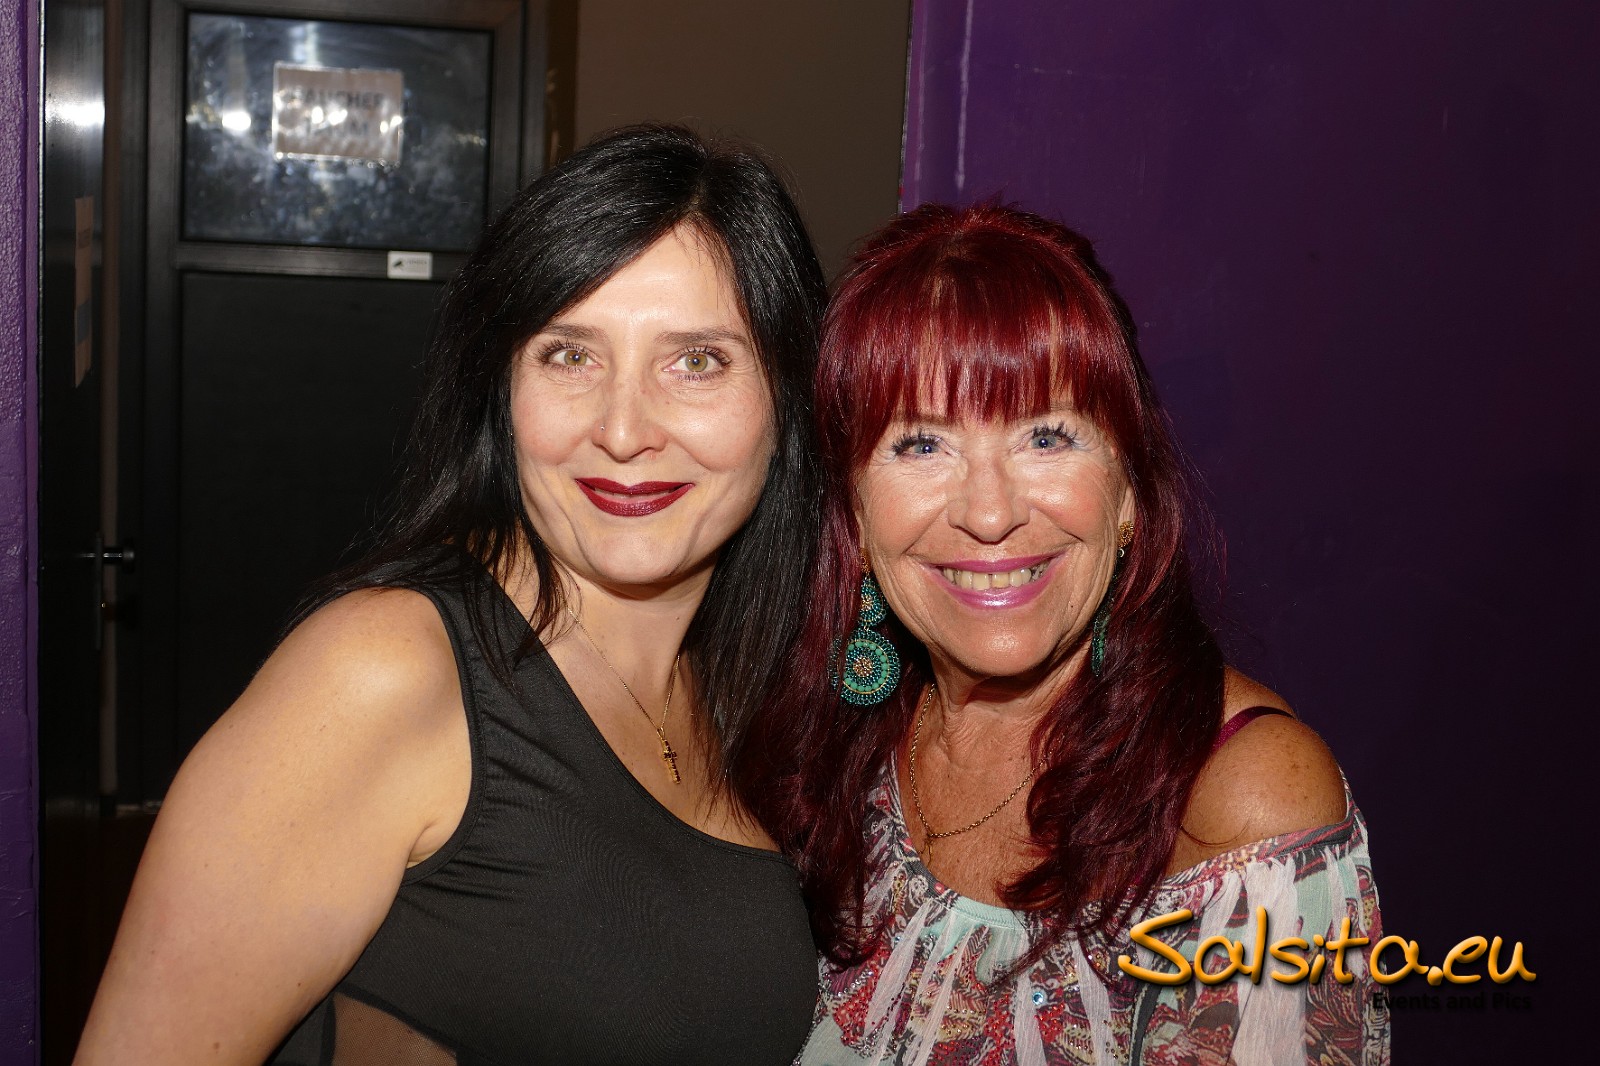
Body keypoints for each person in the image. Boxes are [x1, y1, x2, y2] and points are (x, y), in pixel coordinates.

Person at [74, 125, 828, 1066]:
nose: (623, 429)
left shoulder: (757, 682)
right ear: (500, 389)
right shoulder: (381, 672)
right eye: (569, 355)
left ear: (789, 397)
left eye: (697, 361)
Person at [749, 202, 1388, 1065]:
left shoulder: (1242, 800)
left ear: (1127, 493)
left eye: (1046, 437)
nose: (989, 514)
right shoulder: (824, 734)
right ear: (853, 516)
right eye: (921, 445)